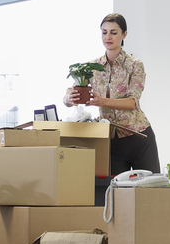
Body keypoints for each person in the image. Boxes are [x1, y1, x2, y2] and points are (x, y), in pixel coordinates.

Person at [63, 13, 159, 175]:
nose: (108, 37)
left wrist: (102, 101)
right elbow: (71, 93)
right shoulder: (93, 66)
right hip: (110, 140)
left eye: (113, 33)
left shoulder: (135, 65)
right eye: (104, 32)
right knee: (114, 193)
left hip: (138, 136)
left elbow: (131, 102)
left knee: (148, 192)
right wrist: (69, 99)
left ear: (124, 35)